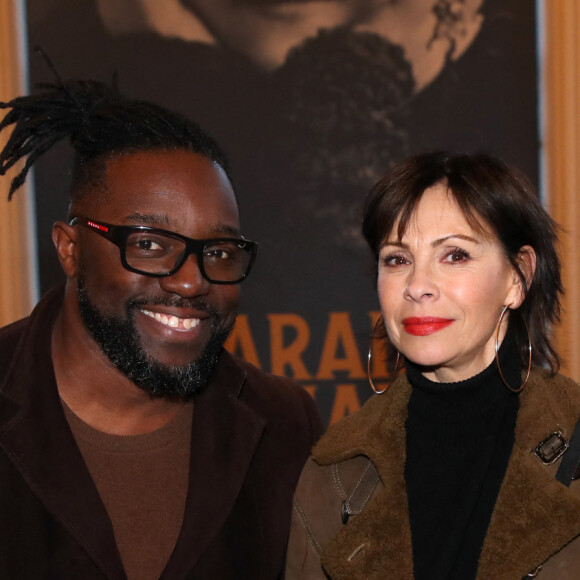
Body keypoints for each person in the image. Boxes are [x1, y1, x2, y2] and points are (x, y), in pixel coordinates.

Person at [0, 77, 321, 579]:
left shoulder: (284, 423)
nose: (191, 282)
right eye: (150, 244)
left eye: (218, 252)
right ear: (70, 249)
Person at [285, 152, 580, 579]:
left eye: (455, 255)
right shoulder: (334, 472)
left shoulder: (573, 433)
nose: (417, 286)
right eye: (397, 259)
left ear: (517, 278)